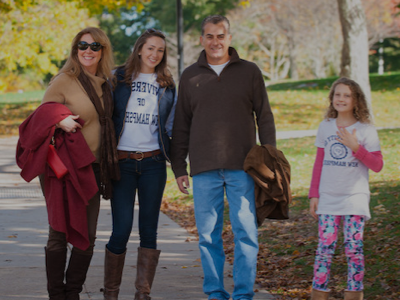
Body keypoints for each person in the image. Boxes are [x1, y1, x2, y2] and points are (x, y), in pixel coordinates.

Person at [170, 15, 276, 300]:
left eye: (220, 36)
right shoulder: (190, 75)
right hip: (204, 169)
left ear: (229, 38)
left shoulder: (249, 71)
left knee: (246, 234)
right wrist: (179, 166)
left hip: (244, 167)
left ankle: (243, 294)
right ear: (201, 39)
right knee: (207, 237)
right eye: (209, 36)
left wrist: (270, 158)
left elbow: (264, 117)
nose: (215, 42)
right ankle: (215, 293)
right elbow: (181, 124)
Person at [16, 27, 119, 300]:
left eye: (94, 46)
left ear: (103, 51)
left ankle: (72, 292)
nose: (88, 50)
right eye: (82, 45)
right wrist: (58, 119)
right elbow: (41, 117)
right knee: (59, 232)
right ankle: (56, 294)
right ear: (75, 50)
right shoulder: (64, 80)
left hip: (94, 167)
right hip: (62, 169)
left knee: (89, 235)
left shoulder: (108, 83)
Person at [102, 28, 176, 300]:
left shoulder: (167, 82)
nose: (155, 54)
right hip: (122, 164)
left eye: (160, 50)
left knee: (149, 230)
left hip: (153, 164)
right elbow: (104, 116)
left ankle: (142, 294)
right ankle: (110, 294)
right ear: (139, 48)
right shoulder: (118, 78)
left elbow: (170, 126)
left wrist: (178, 164)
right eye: (150, 48)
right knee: (120, 230)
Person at [308, 78, 384, 300]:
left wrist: (356, 147)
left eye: (347, 95)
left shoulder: (366, 130)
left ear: (356, 100)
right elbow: (318, 163)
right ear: (332, 98)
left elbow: (377, 165)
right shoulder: (325, 127)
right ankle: (319, 293)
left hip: (354, 199)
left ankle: (354, 293)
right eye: (337, 94)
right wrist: (314, 194)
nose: (341, 99)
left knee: (353, 248)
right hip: (328, 197)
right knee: (325, 248)